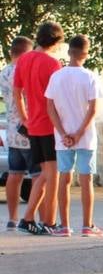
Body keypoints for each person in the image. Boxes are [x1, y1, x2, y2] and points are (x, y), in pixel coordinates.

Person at [45, 34, 103, 237]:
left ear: (69, 51)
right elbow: (93, 109)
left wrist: (64, 133)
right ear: (86, 54)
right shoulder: (90, 77)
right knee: (86, 179)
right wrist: (79, 133)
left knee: (65, 177)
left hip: (63, 138)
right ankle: (87, 225)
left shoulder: (56, 76)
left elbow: (50, 107)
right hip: (86, 137)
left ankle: (64, 226)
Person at [12, 20, 65, 235]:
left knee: (44, 174)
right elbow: (57, 98)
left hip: (33, 125)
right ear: (56, 41)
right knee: (52, 176)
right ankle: (49, 222)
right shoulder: (53, 64)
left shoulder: (23, 60)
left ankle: (28, 218)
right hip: (49, 125)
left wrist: (25, 118)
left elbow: (17, 92)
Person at [0, 36, 43, 229]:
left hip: (11, 132)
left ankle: (12, 218)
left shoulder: (4, 72)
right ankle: (38, 217)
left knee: (14, 175)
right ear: (27, 53)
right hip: (29, 130)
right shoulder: (26, 71)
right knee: (38, 175)